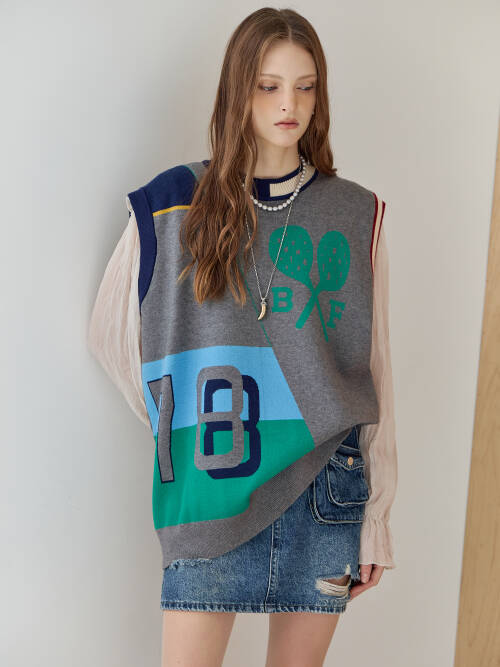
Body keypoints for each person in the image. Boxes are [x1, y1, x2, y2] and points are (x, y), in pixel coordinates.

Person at [87, 7, 397, 667]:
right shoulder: (172, 205)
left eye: (306, 86)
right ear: (238, 90)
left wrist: (377, 519)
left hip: (325, 486)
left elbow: (375, 369)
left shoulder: (354, 212)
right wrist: (179, 426)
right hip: (209, 486)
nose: (290, 105)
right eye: (269, 85)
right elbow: (110, 335)